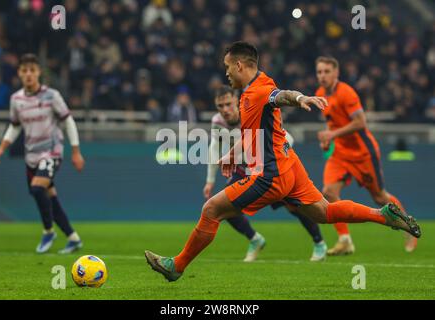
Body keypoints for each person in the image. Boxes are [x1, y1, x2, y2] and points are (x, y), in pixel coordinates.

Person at [145, 41, 421, 282]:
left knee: (211, 210)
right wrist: (232, 154)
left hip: (271, 174)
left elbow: (281, 96)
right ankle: (382, 215)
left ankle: (176, 266)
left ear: (240, 65)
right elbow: (254, 131)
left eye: (227, 66)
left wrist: (300, 98)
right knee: (325, 212)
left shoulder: (259, 91)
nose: (226, 72)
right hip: (290, 165)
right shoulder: (257, 86)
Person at [204, 85, 327, 262]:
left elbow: (287, 138)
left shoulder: (252, 112)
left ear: (236, 99)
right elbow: (214, 147)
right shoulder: (217, 122)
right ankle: (255, 239)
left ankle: (319, 243)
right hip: (245, 170)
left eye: (228, 104)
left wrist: (278, 161)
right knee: (223, 206)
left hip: (270, 169)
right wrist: (209, 180)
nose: (225, 110)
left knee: (295, 207)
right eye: (220, 106)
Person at [315, 56, 418, 254]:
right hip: (340, 154)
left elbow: (361, 122)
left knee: (379, 197)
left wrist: (332, 134)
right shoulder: (320, 94)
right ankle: (345, 240)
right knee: (328, 192)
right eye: (319, 72)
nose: (322, 76)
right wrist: (328, 139)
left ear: (336, 73)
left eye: (327, 71)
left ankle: (408, 227)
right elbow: (333, 123)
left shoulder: (347, 93)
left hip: (363, 153)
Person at [0, 53, 85, 254]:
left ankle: (48, 230)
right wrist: (2, 147)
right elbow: (15, 126)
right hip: (31, 155)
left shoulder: (52, 96)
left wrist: (76, 151)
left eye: (32, 70)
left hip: (51, 152)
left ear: (39, 73)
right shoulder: (16, 99)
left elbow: (68, 121)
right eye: (24, 71)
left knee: (36, 189)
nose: (28, 75)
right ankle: (73, 237)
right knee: (48, 197)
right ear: (19, 73)